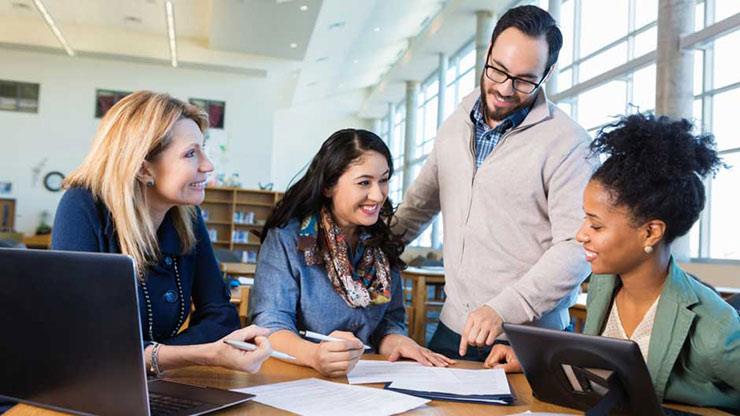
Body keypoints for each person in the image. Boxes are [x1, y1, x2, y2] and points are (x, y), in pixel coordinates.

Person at [488, 114, 739, 409]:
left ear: (651, 232)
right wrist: (539, 363)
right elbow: (612, 368)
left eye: (596, 226)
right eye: (585, 219)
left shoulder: (714, 331)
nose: (581, 235)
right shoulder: (605, 284)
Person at [392, 5, 595, 365]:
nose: (504, 88)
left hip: (528, 338)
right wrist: (367, 246)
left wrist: (502, 309)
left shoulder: (568, 143)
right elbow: (420, 203)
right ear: (487, 52)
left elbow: (576, 248)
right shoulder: (457, 120)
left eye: (523, 79)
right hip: (453, 329)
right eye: (497, 70)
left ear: (545, 75)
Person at [52, 91, 272, 376]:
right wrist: (189, 353)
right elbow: (86, 343)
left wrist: (157, 356)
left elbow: (221, 318)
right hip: (68, 384)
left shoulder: (186, 216)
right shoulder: (82, 206)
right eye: (191, 153)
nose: (208, 165)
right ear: (144, 169)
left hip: (138, 384)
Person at [250, 129, 454, 377]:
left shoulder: (381, 242)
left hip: (366, 379)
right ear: (328, 186)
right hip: (299, 376)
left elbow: (389, 322)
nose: (378, 195)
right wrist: (313, 355)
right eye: (364, 183)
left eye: (384, 180)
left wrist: (398, 342)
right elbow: (271, 325)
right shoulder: (288, 239)